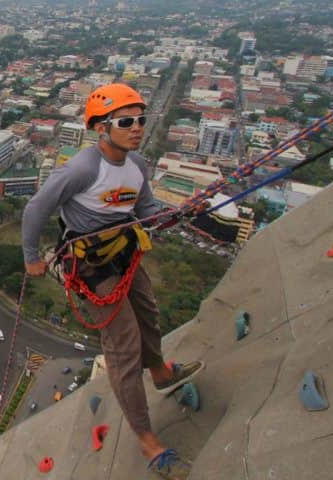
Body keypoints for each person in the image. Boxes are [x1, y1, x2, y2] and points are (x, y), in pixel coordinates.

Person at [21, 83, 202, 479]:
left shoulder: (137, 166)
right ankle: (147, 440)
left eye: (141, 120)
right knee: (123, 345)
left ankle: (160, 372)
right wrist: (31, 257)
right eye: (126, 121)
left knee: (149, 314)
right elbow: (37, 207)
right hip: (91, 269)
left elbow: (146, 208)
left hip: (124, 253)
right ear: (102, 129)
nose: (137, 128)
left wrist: (177, 213)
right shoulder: (83, 169)